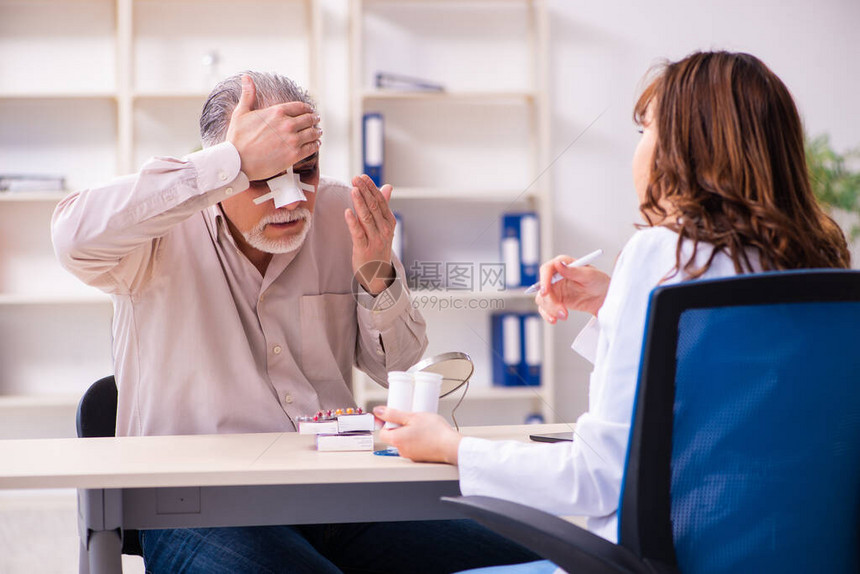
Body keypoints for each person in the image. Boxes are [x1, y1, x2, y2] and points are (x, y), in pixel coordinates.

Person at [374, 51, 851, 574]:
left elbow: (598, 475)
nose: (639, 151)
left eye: (644, 130)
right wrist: (613, 303)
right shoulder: (821, 262)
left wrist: (453, 447)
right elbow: (732, 400)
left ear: (682, 148)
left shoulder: (662, 253)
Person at [52, 71, 539, 573]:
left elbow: (397, 362)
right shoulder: (156, 230)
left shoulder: (338, 213)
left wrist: (377, 274)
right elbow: (70, 238)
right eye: (263, 176)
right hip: (202, 504)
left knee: (539, 558)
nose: (290, 199)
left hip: (342, 491)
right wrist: (228, 163)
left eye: (303, 171)